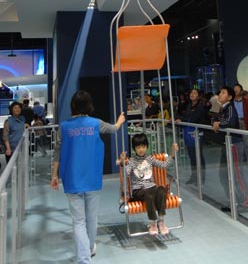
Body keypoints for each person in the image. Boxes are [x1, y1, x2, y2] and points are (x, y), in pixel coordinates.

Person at [51, 90, 125, 264]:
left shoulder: (64, 126)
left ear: (72, 106)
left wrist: (54, 175)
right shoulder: (95, 123)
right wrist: (120, 121)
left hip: (71, 178)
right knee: (92, 218)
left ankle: (84, 258)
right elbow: (114, 129)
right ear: (89, 105)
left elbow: (57, 151)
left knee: (78, 221)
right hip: (92, 177)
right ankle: (89, 249)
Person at [120, 132, 178, 236]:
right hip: (139, 191)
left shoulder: (150, 159)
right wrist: (124, 162)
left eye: (143, 146)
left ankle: (161, 221)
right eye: (138, 147)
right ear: (134, 149)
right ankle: (152, 223)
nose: (141, 149)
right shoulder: (132, 161)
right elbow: (126, 173)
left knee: (161, 190)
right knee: (148, 194)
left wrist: (172, 154)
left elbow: (164, 165)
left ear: (146, 146)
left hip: (151, 188)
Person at [212, 86, 248, 212]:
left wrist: (218, 123)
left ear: (229, 97)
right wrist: (216, 122)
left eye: (223, 93)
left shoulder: (230, 107)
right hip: (226, 143)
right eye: (220, 92)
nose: (220, 94)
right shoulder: (223, 108)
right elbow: (214, 119)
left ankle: (246, 203)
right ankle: (233, 200)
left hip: (234, 144)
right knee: (223, 174)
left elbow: (229, 122)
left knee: (237, 174)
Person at [177, 89, 206, 185]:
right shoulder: (189, 106)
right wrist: (180, 119)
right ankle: (194, 177)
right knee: (192, 157)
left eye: (195, 93)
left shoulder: (200, 107)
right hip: (188, 134)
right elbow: (185, 116)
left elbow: (194, 118)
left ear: (198, 96)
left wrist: (184, 119)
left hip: (197, 134)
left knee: (198, 156)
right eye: (191, 93)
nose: (192, 94)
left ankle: (201, 178)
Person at [233, 83, 248, 173]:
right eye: (234, 88)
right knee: (236, 146)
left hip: (243, 123)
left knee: (247, 144)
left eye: (238, 88)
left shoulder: (246, 101)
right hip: (234, 124)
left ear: (241, 90)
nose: (236, 89)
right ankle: (237, 166)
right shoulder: (231, 101)